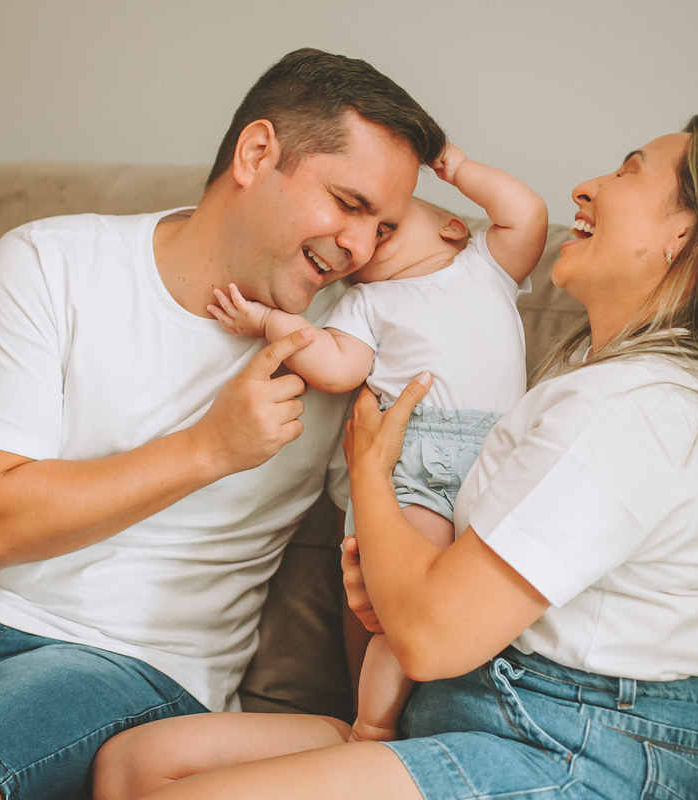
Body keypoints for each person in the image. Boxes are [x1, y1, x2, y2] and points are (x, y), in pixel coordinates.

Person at [87, 114, 698, 800]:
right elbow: (451, 604)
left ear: (686, 236)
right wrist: (396, 582)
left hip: (577, 750)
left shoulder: (641, 410)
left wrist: (372, 474)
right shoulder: (596, 383)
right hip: (481, 709)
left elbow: (435, 635)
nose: (587, 187)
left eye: (631, 173)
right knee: (133, 765)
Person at [0, 48, 446, 800]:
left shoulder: (354, 351)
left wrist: (376, 729)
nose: (358, 249)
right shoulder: (51, 261)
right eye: (348, 204)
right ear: (257, 153)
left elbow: (386, 567)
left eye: (383, 228)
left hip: (135, 664)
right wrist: (209, 448)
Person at [206, 143, 547, 746]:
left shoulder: (484, 266)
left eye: (387, 226)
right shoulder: (364, 302)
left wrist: (455, 167)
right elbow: (336, 368)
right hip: (406, 464)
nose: (362, 245)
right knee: (401, 604)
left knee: (468, 600)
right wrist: (268, 323)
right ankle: (373, 724)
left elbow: (526, 212)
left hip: (494, 464)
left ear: (450, 227)